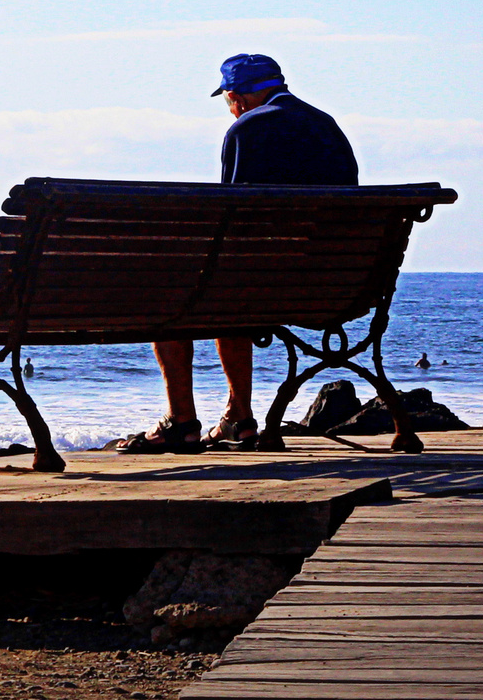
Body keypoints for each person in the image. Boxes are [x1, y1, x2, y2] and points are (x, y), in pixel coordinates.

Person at [119, 53, 358, 454]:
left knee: (177, 297)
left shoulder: (247, 129)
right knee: (230, 289)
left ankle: (184, 422)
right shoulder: (326, 125)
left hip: (260, 284)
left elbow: (236, 216)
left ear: (236, 97)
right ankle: (236, 418)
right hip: (333, 283)